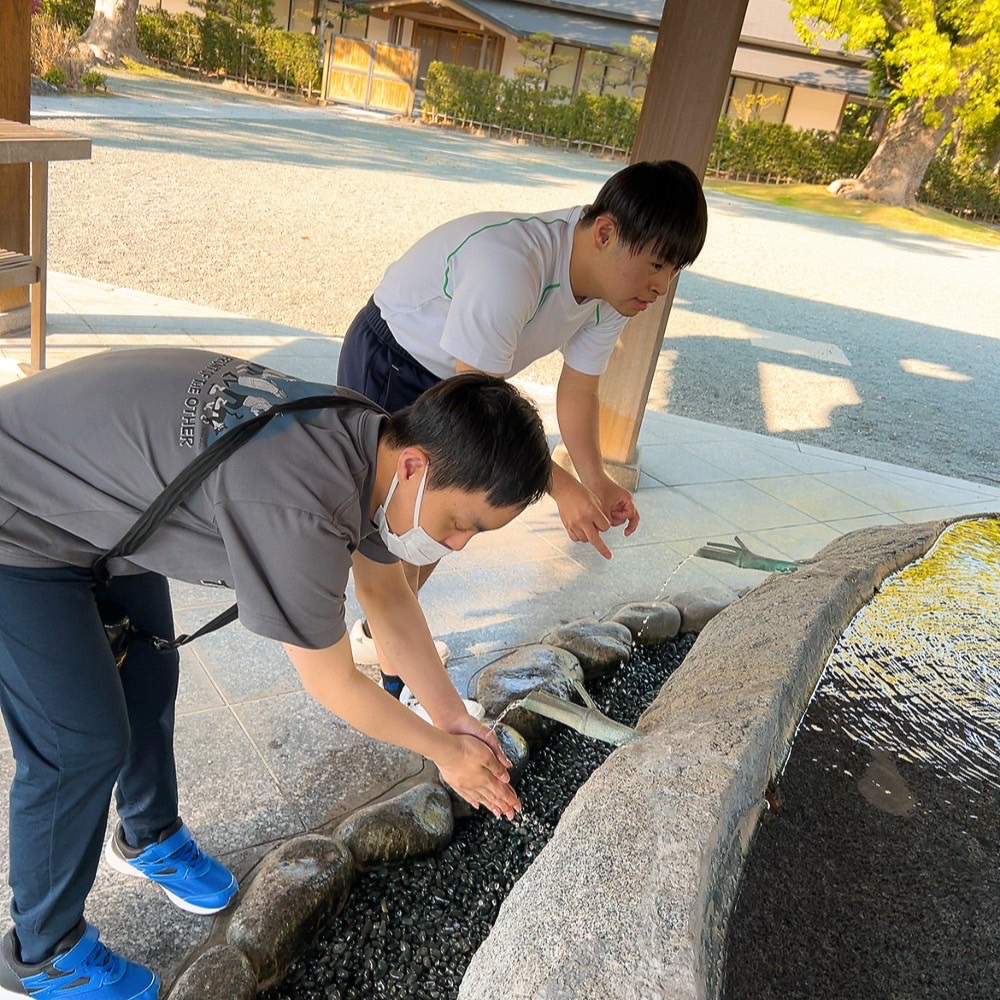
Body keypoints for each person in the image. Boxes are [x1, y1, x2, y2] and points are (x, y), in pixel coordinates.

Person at [0, 348, 551, 999]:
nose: (456, 545)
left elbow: (388, 596)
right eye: (461, 523)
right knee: (79, 742)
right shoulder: (300, 504)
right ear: (415, 466)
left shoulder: (370, 440)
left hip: (98, 501)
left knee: (149, 675)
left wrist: (451, 717)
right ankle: (41, 954)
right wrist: (442, 753)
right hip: (17, 515)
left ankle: (147, 836)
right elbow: (332, 682)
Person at [337, 158, 708, 696]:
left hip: (465, 385)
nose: (662, 286)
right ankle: (399, 684)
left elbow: (578, 390)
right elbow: (481, 421)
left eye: (674, 271)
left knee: (440, 529)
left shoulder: (613, 293)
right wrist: (560, 488)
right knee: (398, 536)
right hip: (395, 360)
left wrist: (595, 480)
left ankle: (386, 638)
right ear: (606, 233)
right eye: (656, 264)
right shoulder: (511, 266)